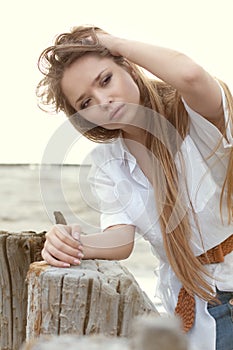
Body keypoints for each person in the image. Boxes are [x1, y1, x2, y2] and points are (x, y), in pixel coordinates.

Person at [37, 25, 233, 350]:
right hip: (191, 311)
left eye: (105, 80)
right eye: (86, 102)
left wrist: (113, 43)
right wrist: (71, 244)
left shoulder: (194, 116)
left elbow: (190, 74)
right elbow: (120, 239)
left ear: (128, 65)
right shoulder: (109, 162)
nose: (103, 101)